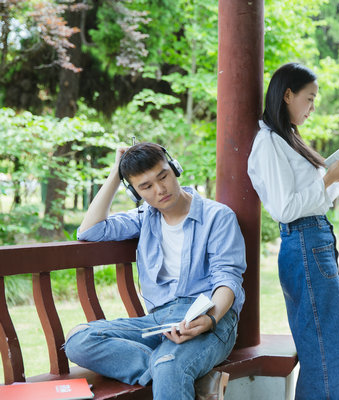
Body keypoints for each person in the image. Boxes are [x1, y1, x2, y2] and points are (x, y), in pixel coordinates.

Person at [64, 142, 246, 400]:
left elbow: (227, 279)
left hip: (209, 316)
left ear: (174, 169)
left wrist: (211, 318)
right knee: (79, 341)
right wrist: (116, 172)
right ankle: (188, 377)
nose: (160, 190)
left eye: (164, 177)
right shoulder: (143, 217)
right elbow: (89, 230)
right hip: (160, 321)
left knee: (169, 364)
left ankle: (172, 369)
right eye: (146, 186)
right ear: (135, 192)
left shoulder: (217, 216)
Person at [247, 62, 339, 400]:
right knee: (326, 355)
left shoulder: (289, 139)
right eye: (309, 99)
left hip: (315, 241)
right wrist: (327, 178)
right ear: (287, 95)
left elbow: (309, 199)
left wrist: (334, 177)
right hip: (303, 241)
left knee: (331, 350)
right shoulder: (268, 142)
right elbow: (285, 209)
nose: (312, 108)